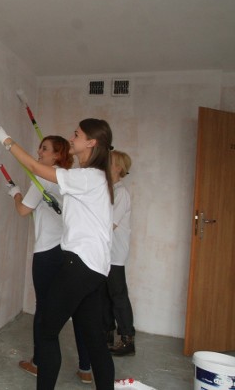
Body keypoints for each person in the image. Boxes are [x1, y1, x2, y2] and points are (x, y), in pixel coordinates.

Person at [0, 118, 115, 390]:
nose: (73, 138)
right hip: (96, 267)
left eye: (77, 134)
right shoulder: (92, 177)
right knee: (94, 339)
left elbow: (36, 167)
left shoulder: (88, 176)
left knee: (46, 331)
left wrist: (6, 139)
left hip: (80, 263)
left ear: (91, 142)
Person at [8, 136, 93, 384]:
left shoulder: (43, 177)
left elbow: (23, 210)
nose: (39, 152)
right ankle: (86, 369)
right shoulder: (68, 179)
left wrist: (15, 193)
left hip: (47, 252)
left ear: (57, 155)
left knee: (44, 310)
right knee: (77, 310)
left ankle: (37, 363)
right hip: (68, 252)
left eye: (44, 149)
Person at [103, 150, 136, 356]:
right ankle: (106, 333)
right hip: (104, 252)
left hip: (115, 253)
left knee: (117, 295)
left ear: (119, 168)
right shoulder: (109, 190)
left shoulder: (121, 192)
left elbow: (109, 225)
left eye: (110, 162)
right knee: (103, 295)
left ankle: (127, 340)